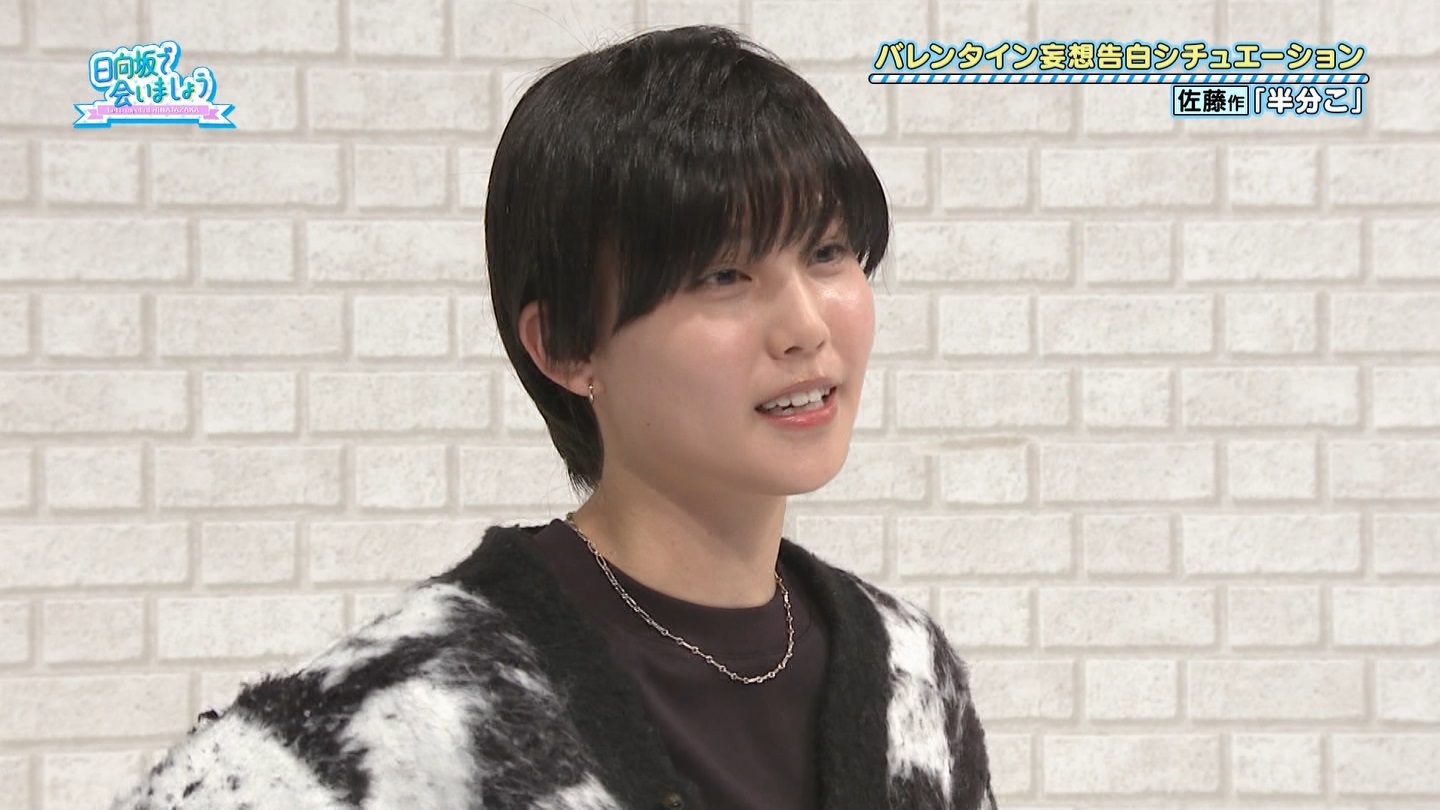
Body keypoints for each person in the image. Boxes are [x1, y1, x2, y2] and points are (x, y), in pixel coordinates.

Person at [110, 25, 996, 810]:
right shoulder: (422, 707)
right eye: (723, 275)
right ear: (569, 345)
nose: (805, 325)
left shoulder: (907, 675)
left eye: (828, 252)